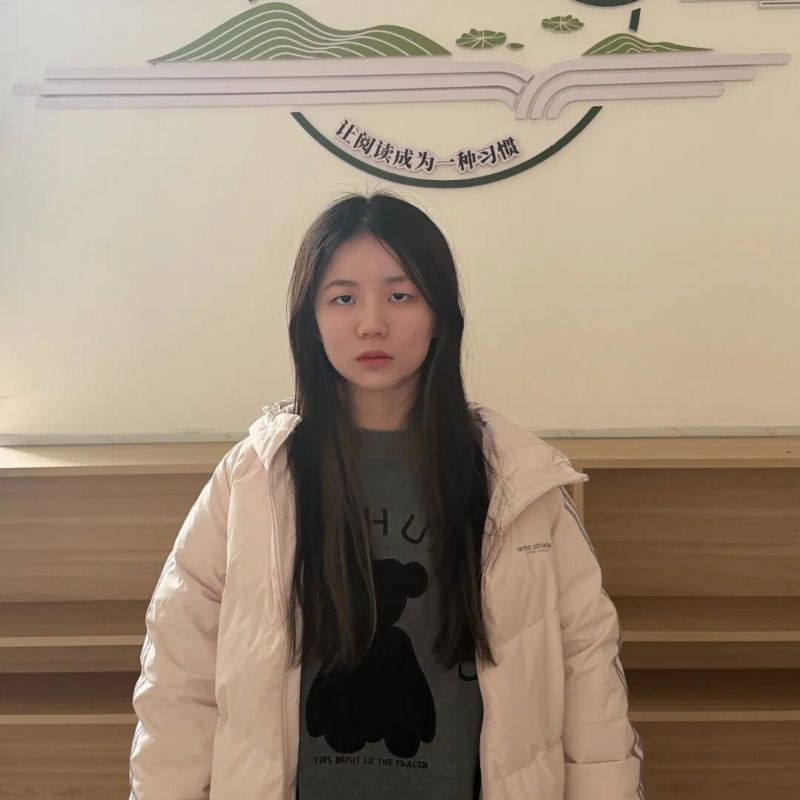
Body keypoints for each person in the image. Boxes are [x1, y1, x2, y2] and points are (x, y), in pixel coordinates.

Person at [128, 191, 645, 800]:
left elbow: (587, 670)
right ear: (311, 320)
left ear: (440, 314)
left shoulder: (518, 479)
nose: (371, 322)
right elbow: (178, 676)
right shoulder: (254, 478)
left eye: (401, 296)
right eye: (343, 298)